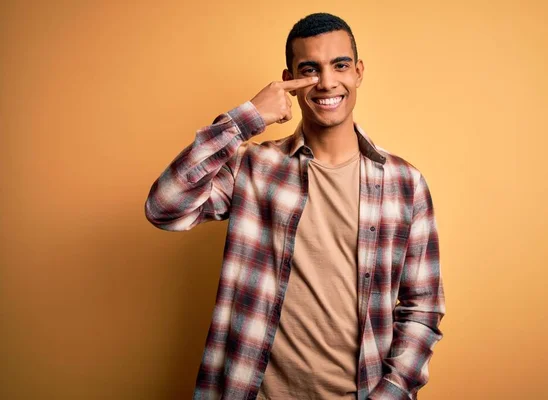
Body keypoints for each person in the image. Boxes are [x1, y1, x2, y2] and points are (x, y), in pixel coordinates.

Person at [145, 12, 445, 400]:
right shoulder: (254, 168)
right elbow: (164, 207)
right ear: (289, 80)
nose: (326, 82)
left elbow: (422, 310)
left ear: (358, 72)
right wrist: (245, 119)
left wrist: (389, 392)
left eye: (339, 66)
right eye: (310, 70)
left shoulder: (405, 185)